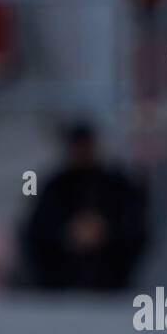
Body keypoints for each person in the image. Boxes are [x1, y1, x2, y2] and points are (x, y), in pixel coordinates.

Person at [22, 122, 147, 291]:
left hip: (110, 282)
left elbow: (136, 228)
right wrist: (68, 234)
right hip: (61, 284)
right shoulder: (55, 186)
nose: (82, 151)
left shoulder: (118, 185)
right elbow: (37, 231)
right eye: (78, 146)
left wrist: (105, 232)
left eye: (86, 145)